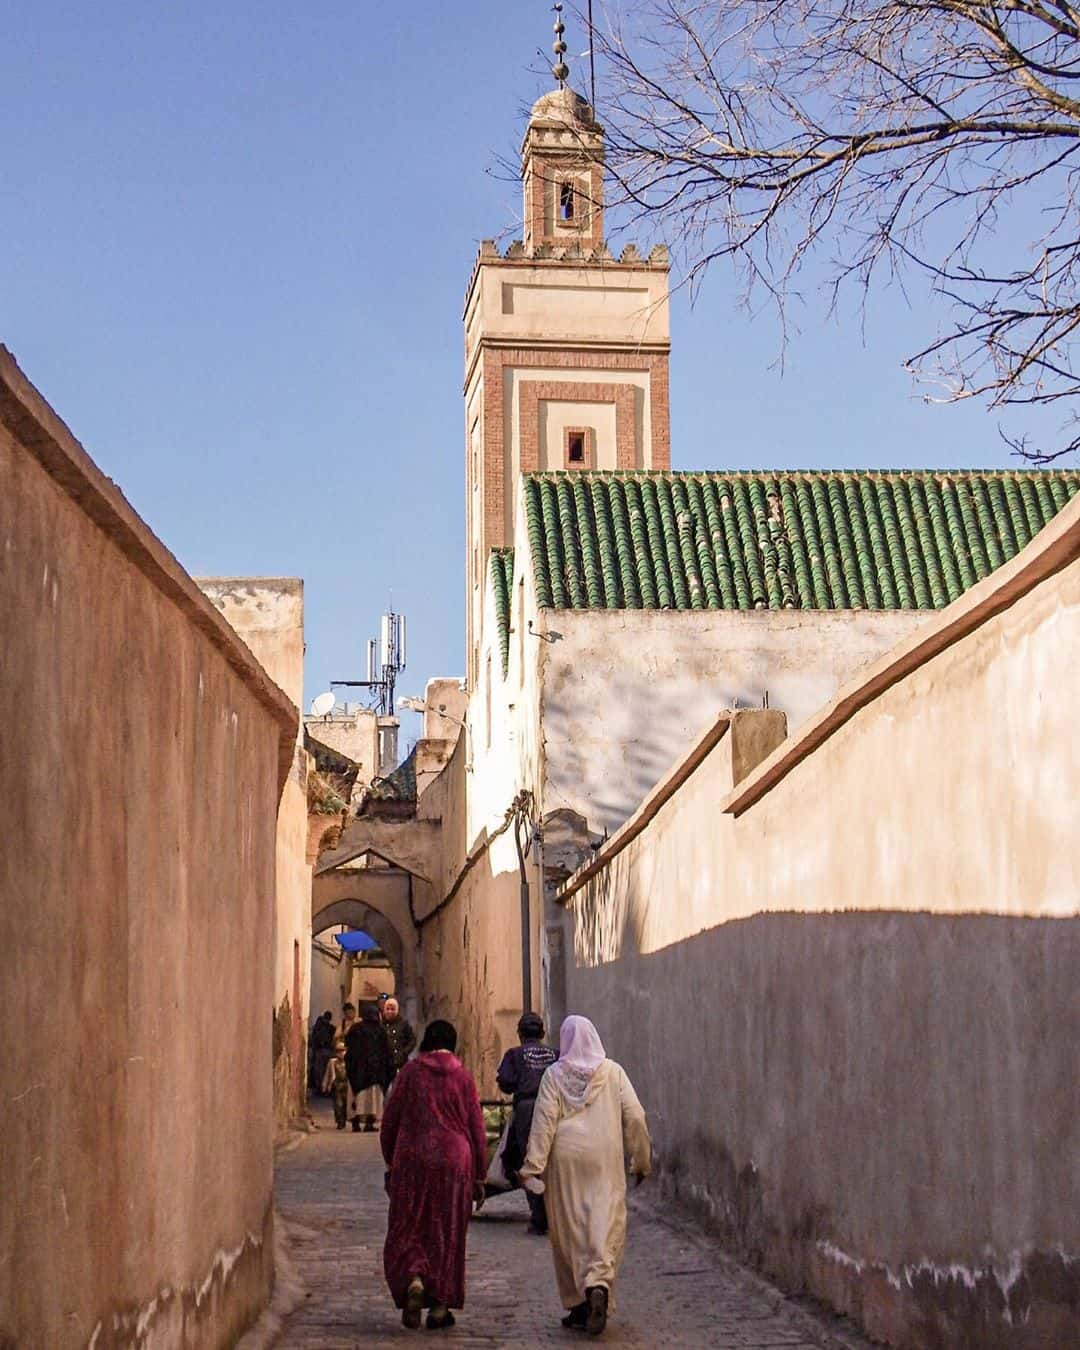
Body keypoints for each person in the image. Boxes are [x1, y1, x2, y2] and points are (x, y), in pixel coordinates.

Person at [520, 1015, 651, 1337]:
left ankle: (578, 1304)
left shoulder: (554, 1075)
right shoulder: (613, 1072)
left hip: (565, 1159)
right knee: (604, 1223)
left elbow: (544, 1122)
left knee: (569, 1229)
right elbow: (635, 1115)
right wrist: (641, 1161)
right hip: (604, 1156)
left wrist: (533, 1167)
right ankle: (598, 1282)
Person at [380, 1020, 487, 1331]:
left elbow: (390, 1121)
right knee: (447, 1231)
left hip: (413, 1157)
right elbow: (476, 1129)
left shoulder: (410, 1074)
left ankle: (414, 1278)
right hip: (455, 1160)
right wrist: (480, 1174)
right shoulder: (463, 1078)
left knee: (409, 1225)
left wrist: (391, 1161)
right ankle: (439, 1307)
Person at [496, 1011, 557, 1234]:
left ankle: (539, 1216)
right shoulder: (554, 1054)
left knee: (529, 1162)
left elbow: (506, 1082)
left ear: (520, 1034)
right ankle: (555, 1213)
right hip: (553, 1109)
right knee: (552, 1161)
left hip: (527, 1111)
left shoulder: (515, 1054)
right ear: (542, 1032)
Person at [345, 1004, 391, 1132]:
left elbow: (348, 1045)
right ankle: (369, 1123)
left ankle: (355, 1123)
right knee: (372, 1100)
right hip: (374, 1072)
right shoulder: (380, 1030)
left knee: (357, 1098)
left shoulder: (356, 1028)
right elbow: (386, 1052)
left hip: (357, 1071)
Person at [382, 997, 417, 1085]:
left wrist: (404, 1052)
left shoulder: (403, 1024)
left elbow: (412, 1040)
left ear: (397, 1010)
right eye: (388, 1009)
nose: (390, 1011)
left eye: (392, 1009)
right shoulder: (381, 1025)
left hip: (401, 1063)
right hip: (385, 1065)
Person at [321, 1038, 349, 1129]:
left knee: (345, 1104)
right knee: (338, 1104)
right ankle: (339, 1121)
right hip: (337, 1085)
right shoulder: (332, 1062)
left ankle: (343, 1119)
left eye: (342, 1051)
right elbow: (327, 1075)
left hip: (346, 1085)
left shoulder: (348, 1062)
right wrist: (324, 1085)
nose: (341, 1053)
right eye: (338, 1051)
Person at [309, 1010, 336, 1096]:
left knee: (320, 1072)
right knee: (326, 1071)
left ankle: (320, 1089)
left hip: (320, 1052)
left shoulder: (318, 1027)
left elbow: (313, 1039)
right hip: (328, 1051)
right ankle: (326, 1089)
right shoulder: (332, 1028)